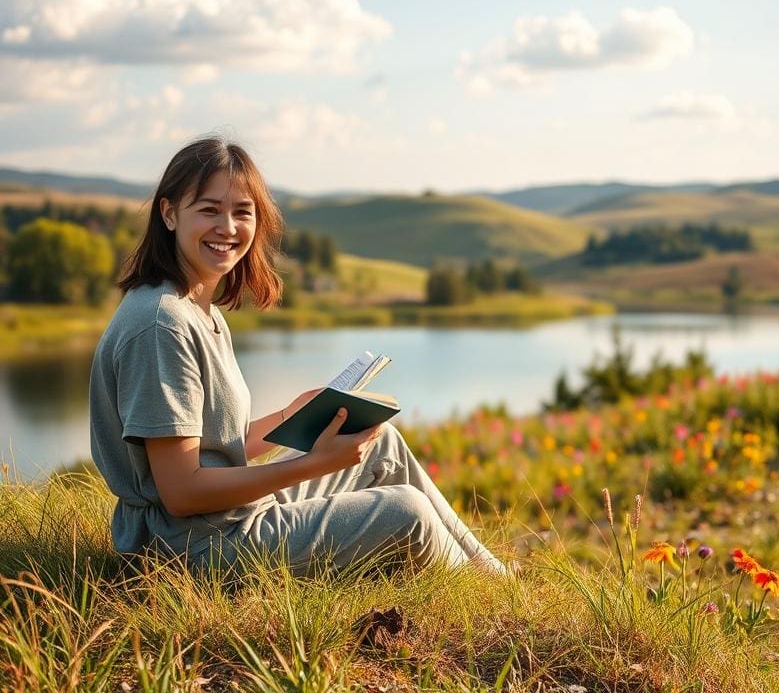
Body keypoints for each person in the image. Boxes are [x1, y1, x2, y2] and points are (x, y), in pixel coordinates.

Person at [89, 136, 506, 577]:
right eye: (209, 210)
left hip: (222, 520)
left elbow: (211, 448)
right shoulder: (162, 325)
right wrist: (313, 463)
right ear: (170, 213)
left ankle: (499, 579)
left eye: (242, 212)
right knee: (409, 513)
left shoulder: (195, 309)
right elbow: (182, 492)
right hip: (192, 550)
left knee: (380, 443)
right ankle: (495, 606)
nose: (228, 227)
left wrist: (292, 416)